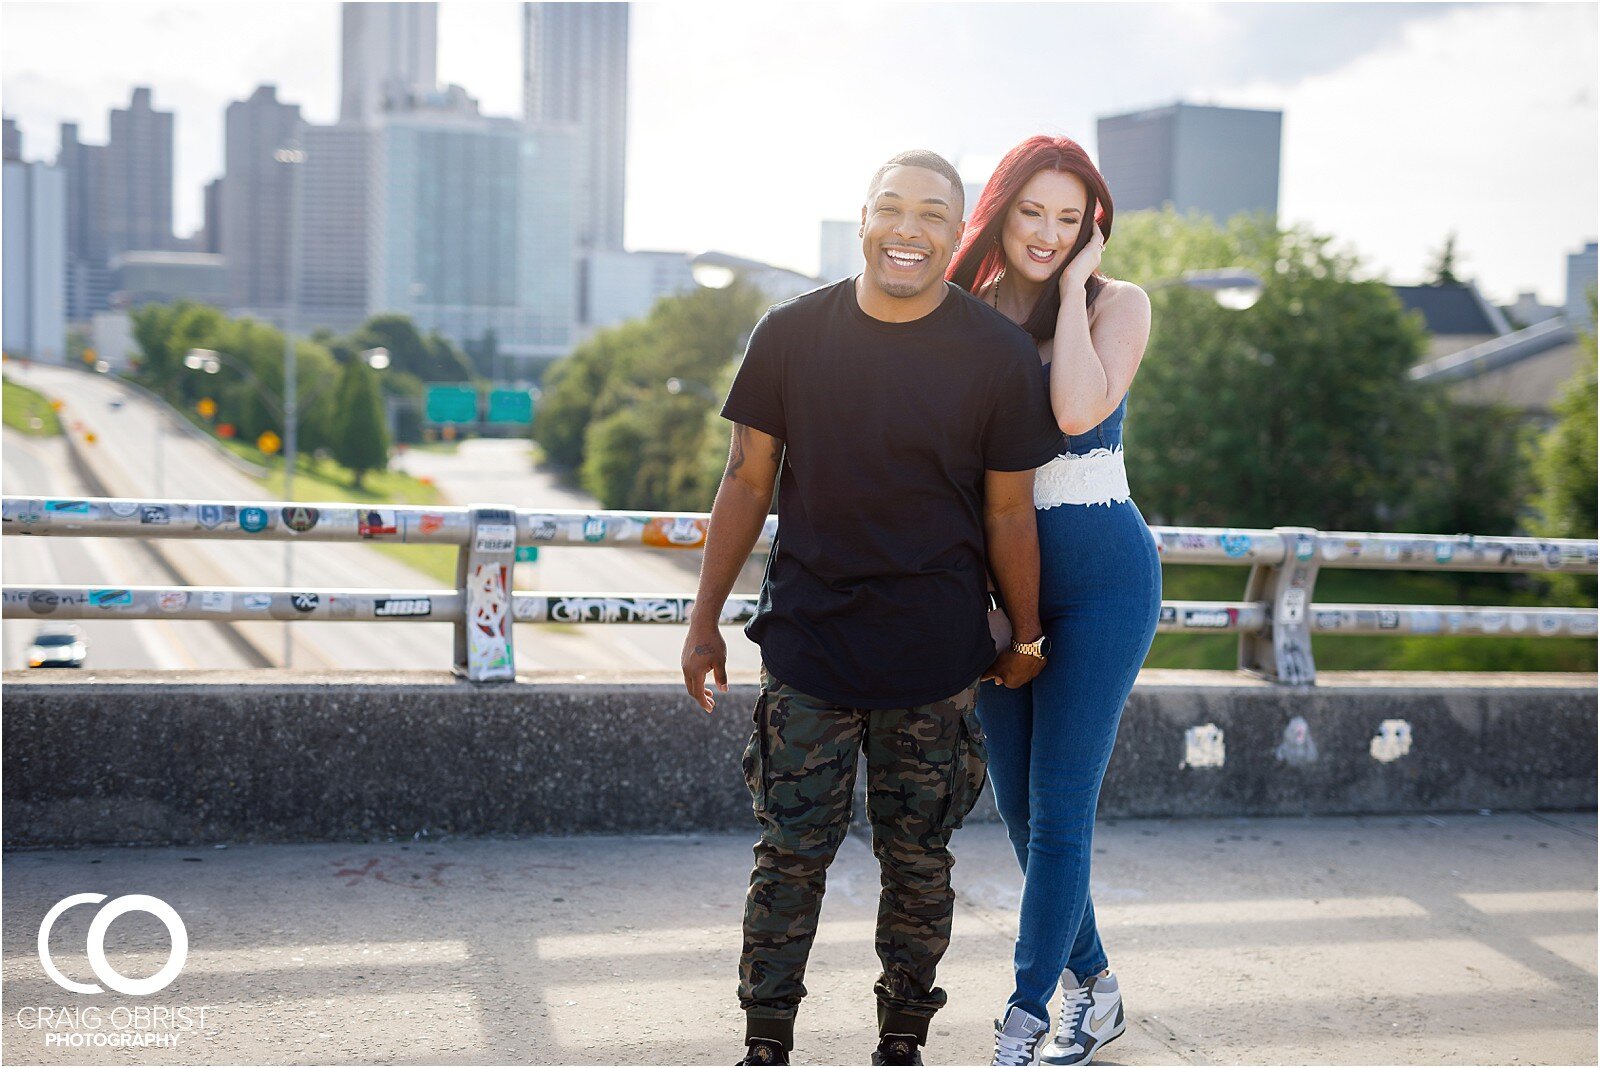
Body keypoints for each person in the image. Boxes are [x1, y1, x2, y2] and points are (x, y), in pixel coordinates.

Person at [681, 149, 1066, 1067]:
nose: (909, 228)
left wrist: (1028, 629)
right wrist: (702, 622)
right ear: (862, 219)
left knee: (919, 864)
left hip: (935, 659)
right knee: (789, 858)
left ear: (955, 231)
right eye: (891, 208)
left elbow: (1010, 508)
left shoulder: (998, 354)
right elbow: (745, 478)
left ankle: (903, 1043)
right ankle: (765, 1043)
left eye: (933, 214)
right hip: (810, 647)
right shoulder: (787, 334)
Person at [946, 135, 1158, 1066]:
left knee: (1062, 804)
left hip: (1107, 580)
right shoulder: (964, 316)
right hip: (1002, 591)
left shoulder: (1119, 305)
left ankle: (1028, 1015)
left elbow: (1074, 411)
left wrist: (1072, 294)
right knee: (1021, 811)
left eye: (1070, 218)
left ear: (1093, 229)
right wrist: (979, 602)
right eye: (1032, 212)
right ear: (1001, 212)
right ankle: (1099, 990)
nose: (1048, 232)